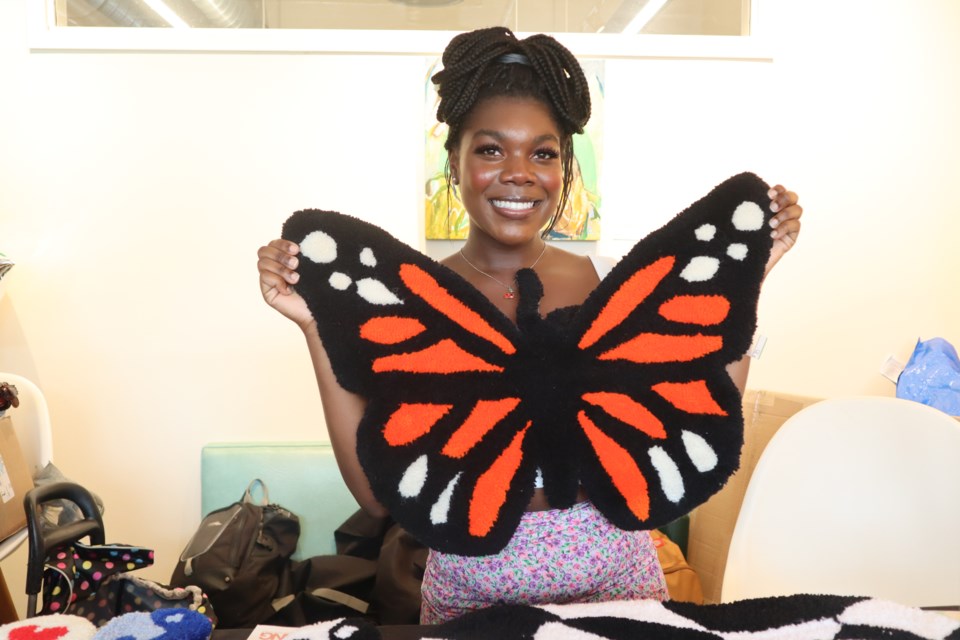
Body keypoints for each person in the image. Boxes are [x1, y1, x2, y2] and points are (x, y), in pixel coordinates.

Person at [257, 26, 803, 624]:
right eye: (490, 149)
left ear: (564, 168)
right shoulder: (418, 304)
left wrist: (744, 287)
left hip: (622, 591)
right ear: (455, 163)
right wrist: (316, 328)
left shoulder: (610, 281)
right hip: (469, 605)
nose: (519, 172)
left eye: (543, 153)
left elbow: (698, 400)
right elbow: (375, 491)